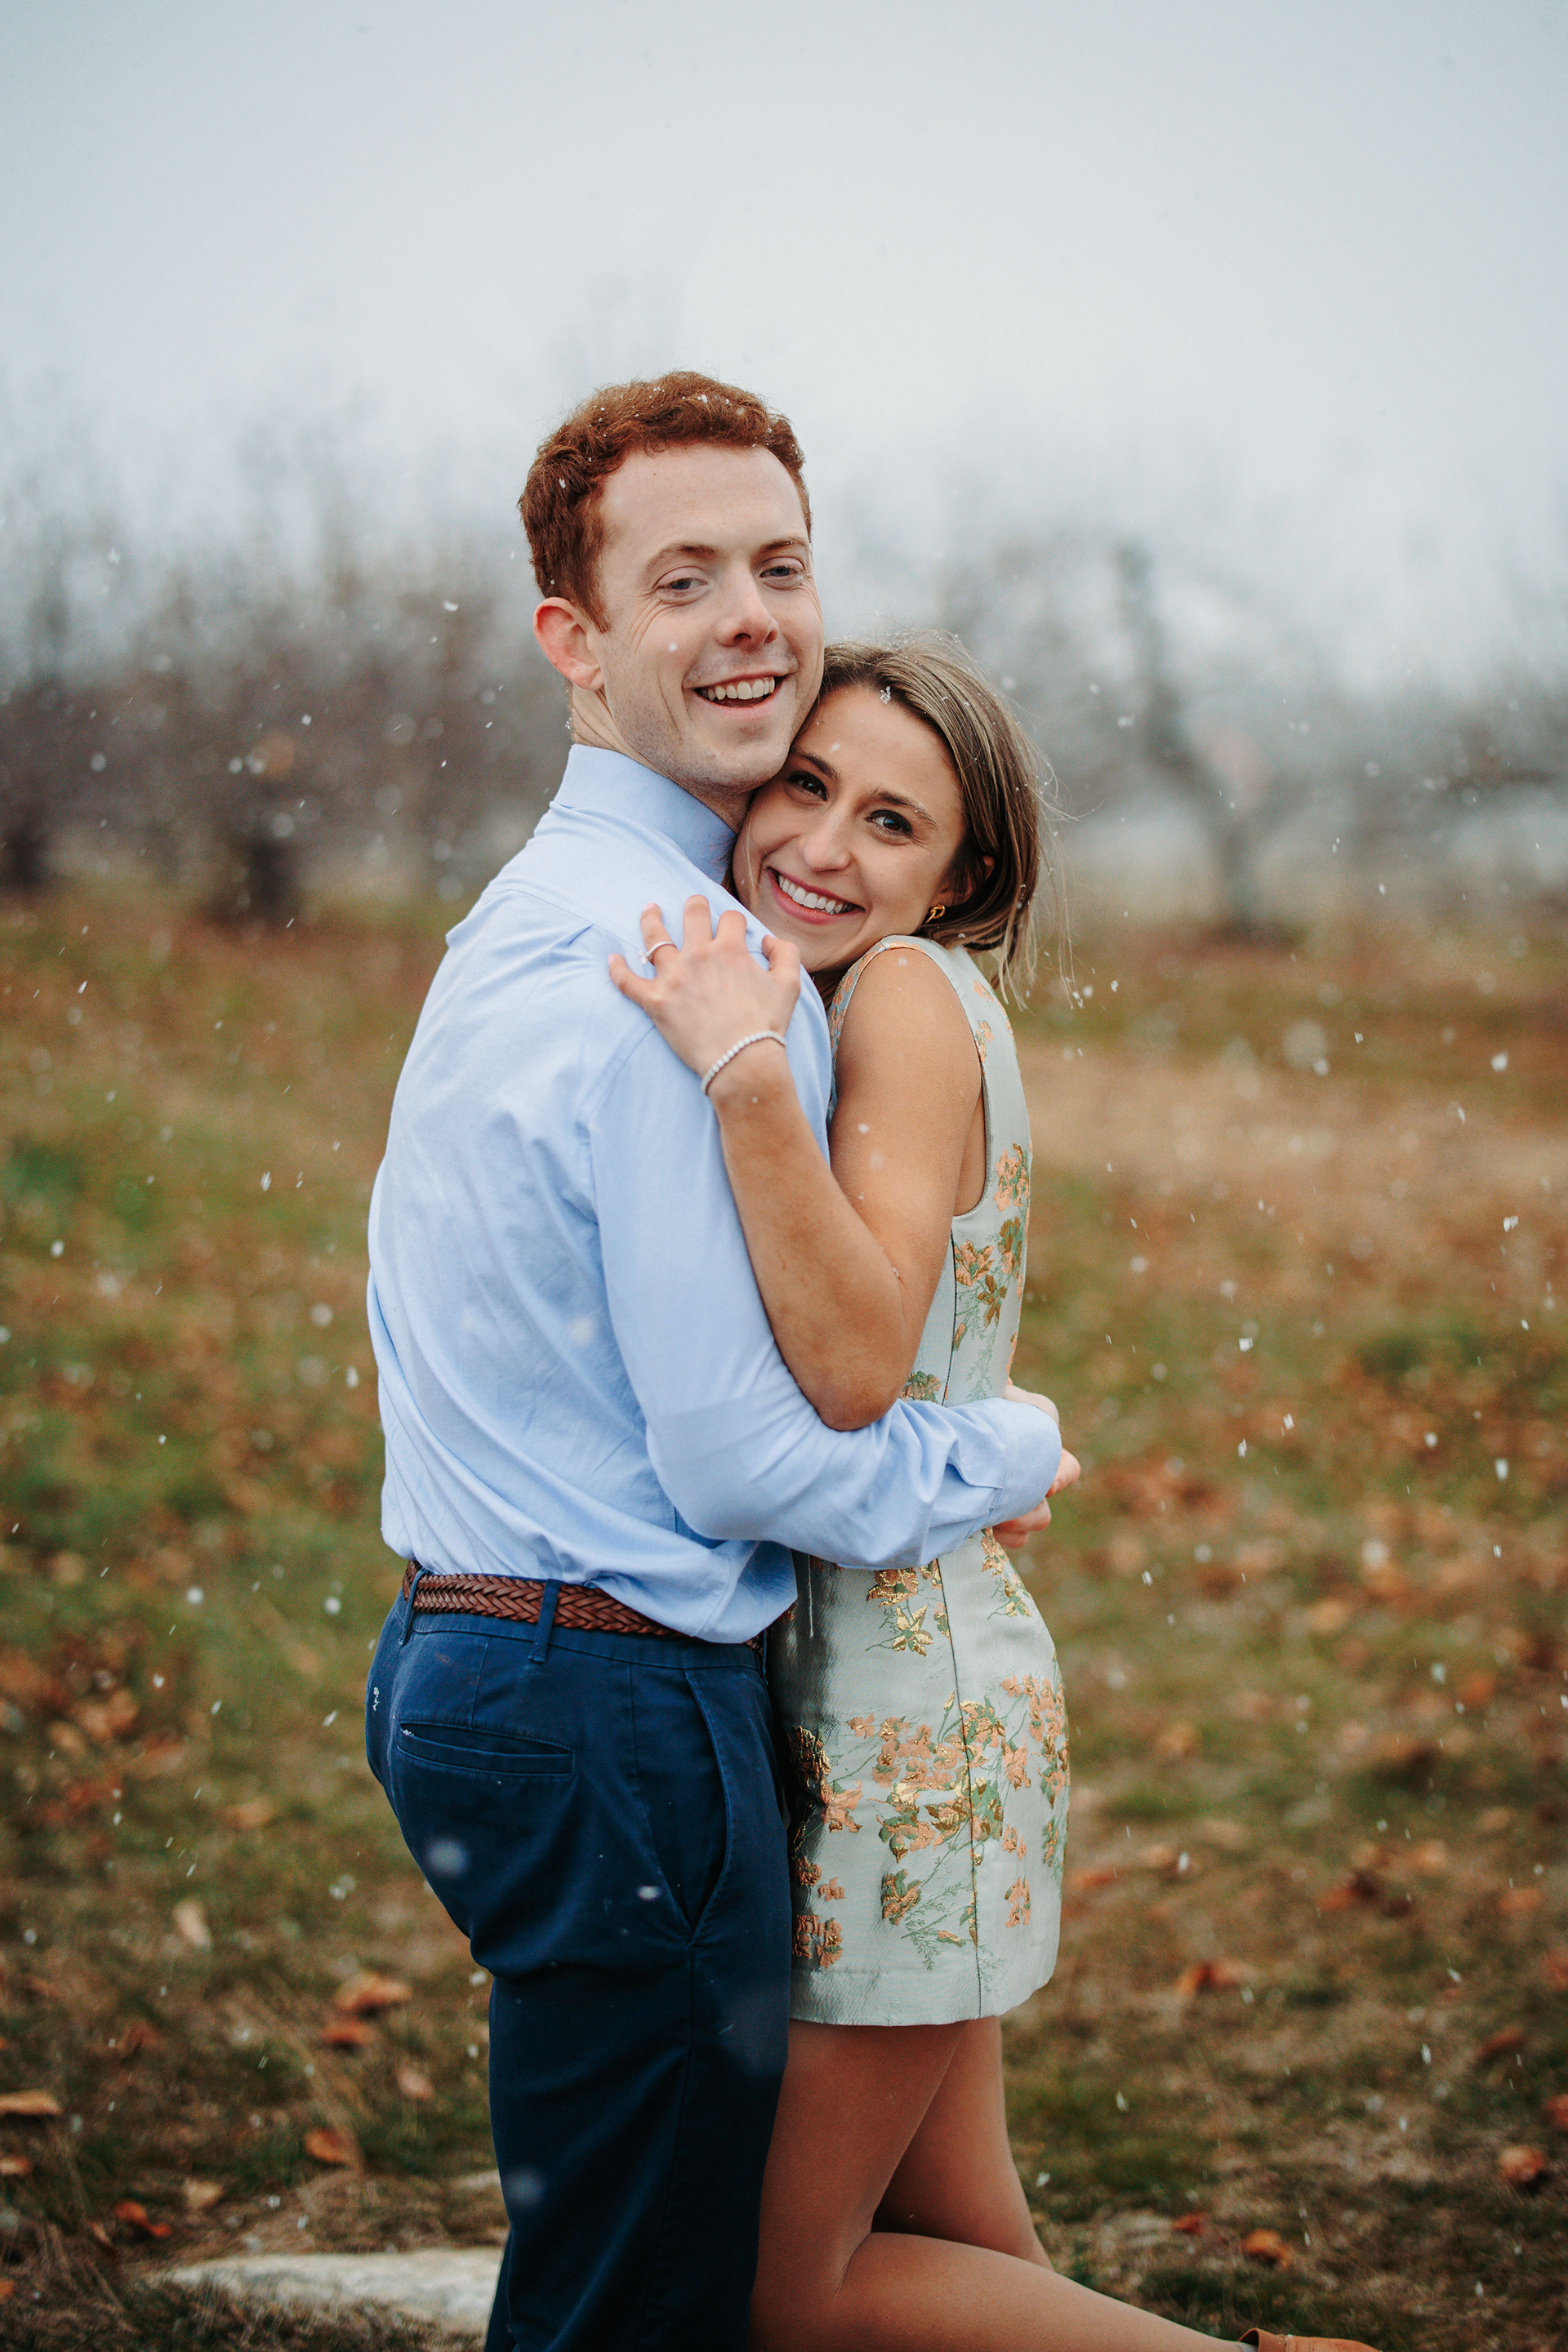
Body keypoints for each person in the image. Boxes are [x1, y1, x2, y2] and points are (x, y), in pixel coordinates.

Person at [361, 373, 1067, 2352]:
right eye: (685, 578)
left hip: (492, 1647)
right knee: (656, 2306)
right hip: (606, 1692)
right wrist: (991, 1454)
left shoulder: (547, 919)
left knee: (763, 2257)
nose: (754, 612)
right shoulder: (680, 974)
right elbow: (770, 1449)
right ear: (573, 643)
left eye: (780, 562)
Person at [612, 639, 1379, 2352]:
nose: (820, 841)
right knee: (959, 2237)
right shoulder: (874, 998)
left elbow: (859, 1360)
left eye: (892, 822)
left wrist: (741, 1083)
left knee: (786, 2300)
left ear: (959, 878)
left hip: (905, 1719)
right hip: (894, 1682)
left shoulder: (895, 997)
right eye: (804, 784)